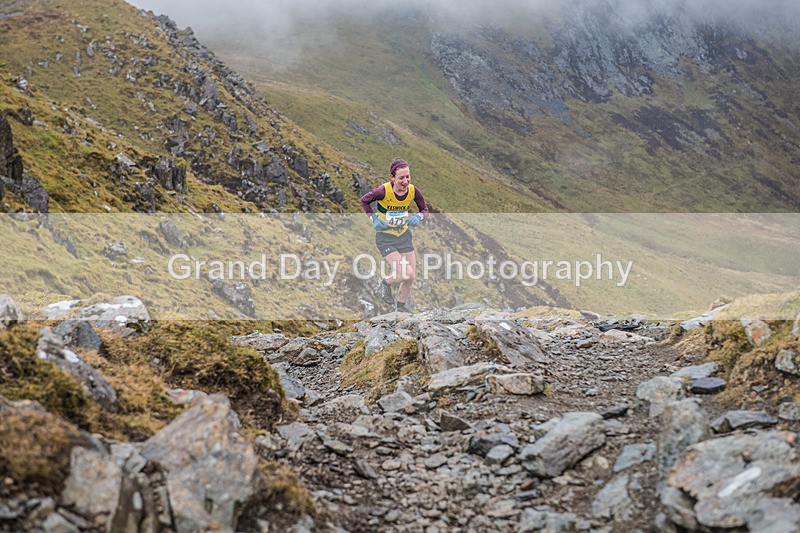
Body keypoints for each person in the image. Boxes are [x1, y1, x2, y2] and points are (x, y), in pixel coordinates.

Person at [360, 158, 430, 312]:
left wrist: (419, 217)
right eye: (401, 178)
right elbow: (364, 201)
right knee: (406, 274)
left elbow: (424, 209)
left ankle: (401, 308)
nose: (405, 181)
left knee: (410, 277)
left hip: (404, 235)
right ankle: (385, 282)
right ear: (392, 177)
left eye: (408, 177)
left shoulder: (413, 191)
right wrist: (374, 219)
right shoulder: (383, 191)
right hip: (386, 238)